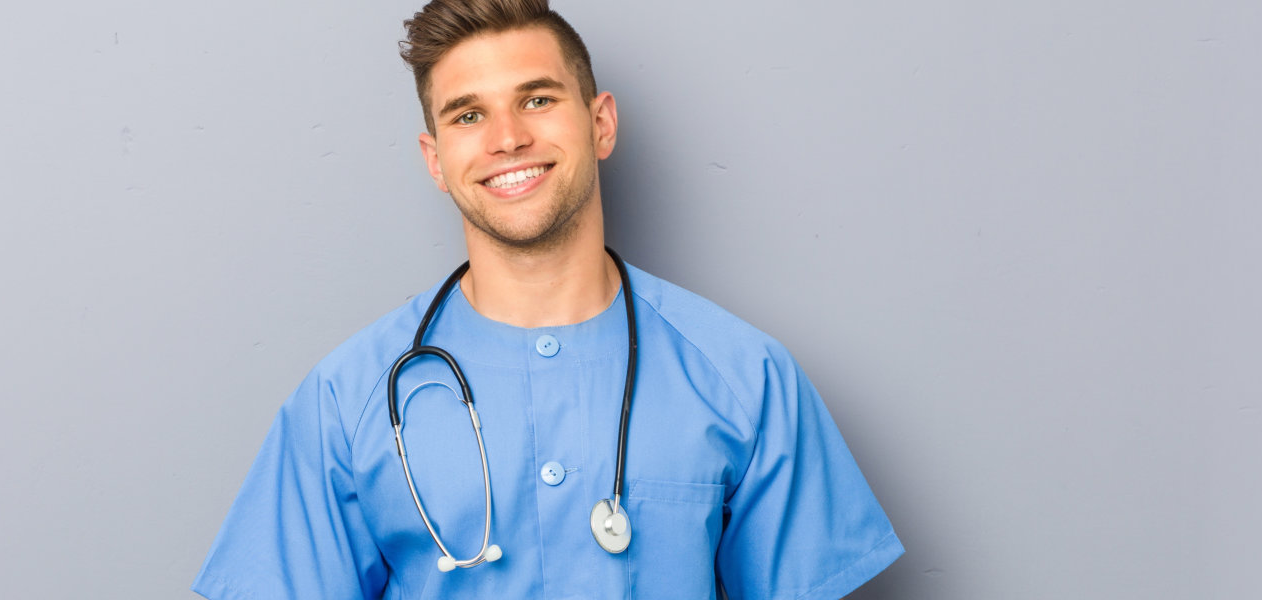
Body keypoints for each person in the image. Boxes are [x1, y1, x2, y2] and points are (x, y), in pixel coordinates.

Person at [192, 1, 902, 597]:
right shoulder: (348, 400)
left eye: (536, 98)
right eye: (468, 116)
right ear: (435, 159)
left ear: (601, 123)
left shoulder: (745, 378)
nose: (508, 138)